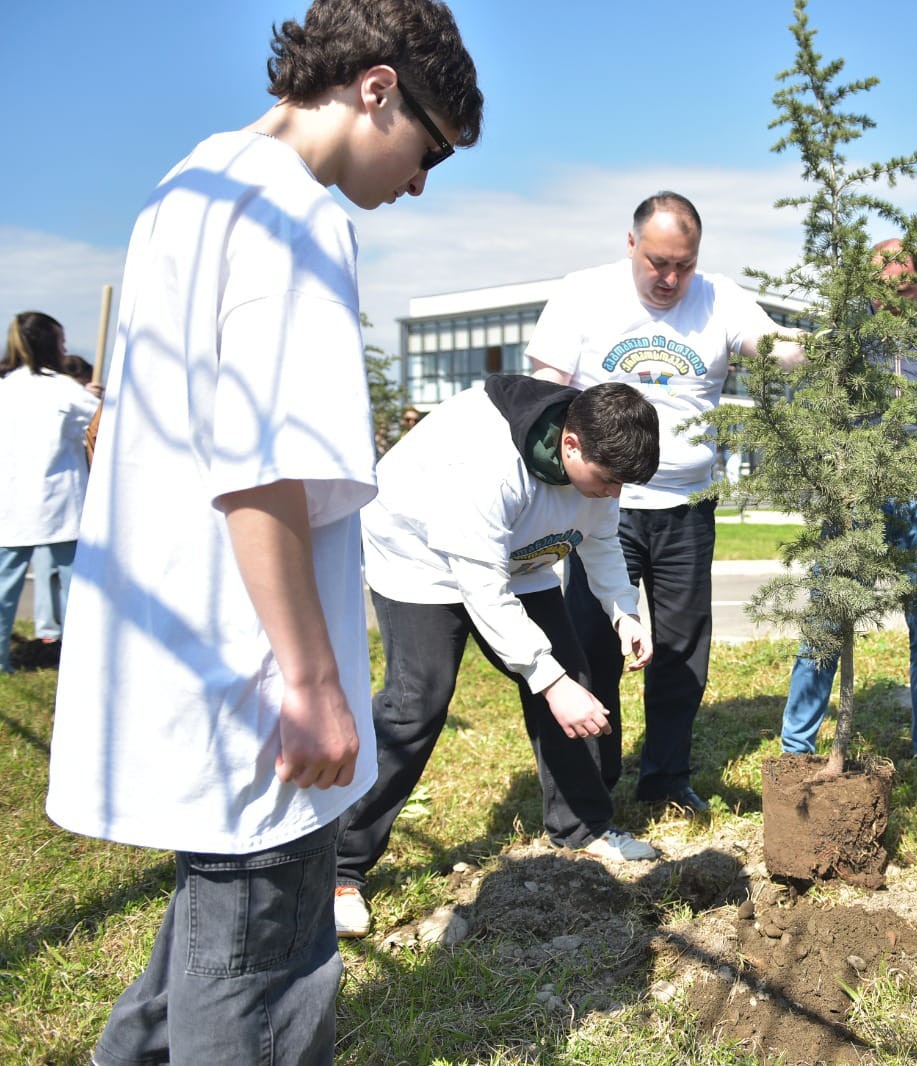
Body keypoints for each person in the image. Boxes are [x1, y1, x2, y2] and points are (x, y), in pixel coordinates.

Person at [45, 2, 482, 1061]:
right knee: (261, 982)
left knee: (206, 944)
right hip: (251, 664)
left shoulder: (190, 183)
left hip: (183, 640)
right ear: (377, 89)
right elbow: (261, 467)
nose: (419, 184)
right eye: (427, 152)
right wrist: (316, 681)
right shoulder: (299, 214)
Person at [334, 378, 661, 938]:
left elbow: (601, 541)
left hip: (520, 558)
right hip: (423, 559)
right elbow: (482, 588)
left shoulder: (600, 462)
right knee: (418, 703)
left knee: (575, 679)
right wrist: (546, 677)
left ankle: (581, 830)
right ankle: (338, 869)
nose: (612, 494)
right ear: (571, 445)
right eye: (607, 482)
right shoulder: (486, 466)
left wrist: (624, 611)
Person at [527, 191, 803, 813]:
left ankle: (667, 777)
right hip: (603, 506)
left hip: (686, 506)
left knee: (680, 647)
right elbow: (543, 392)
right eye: (657, 263)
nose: (670, 279)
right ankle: (594, 779)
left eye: (683, 264)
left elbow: (781, 350)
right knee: (595, 641)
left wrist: (832, 344)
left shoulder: (719, 296)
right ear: (631, 246)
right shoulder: (582, 293)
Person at [779, 238, 917, 777]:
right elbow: (811, 407)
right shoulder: (845, 341)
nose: (893, 297)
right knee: (826, 620)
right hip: (854, 502)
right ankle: (797, 750)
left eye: (904, 285)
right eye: (881, 286)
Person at [0, 313, 99, 672]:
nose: (65, 347)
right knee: (80, 593)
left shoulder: (5, 387)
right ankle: (82, 666)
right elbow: (100, 424)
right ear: (48, 345)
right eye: (60, 341)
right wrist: (97, 399)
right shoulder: (66, 391)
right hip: (61, 506)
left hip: (11, 505)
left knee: (3, 591)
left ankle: (2, 663)